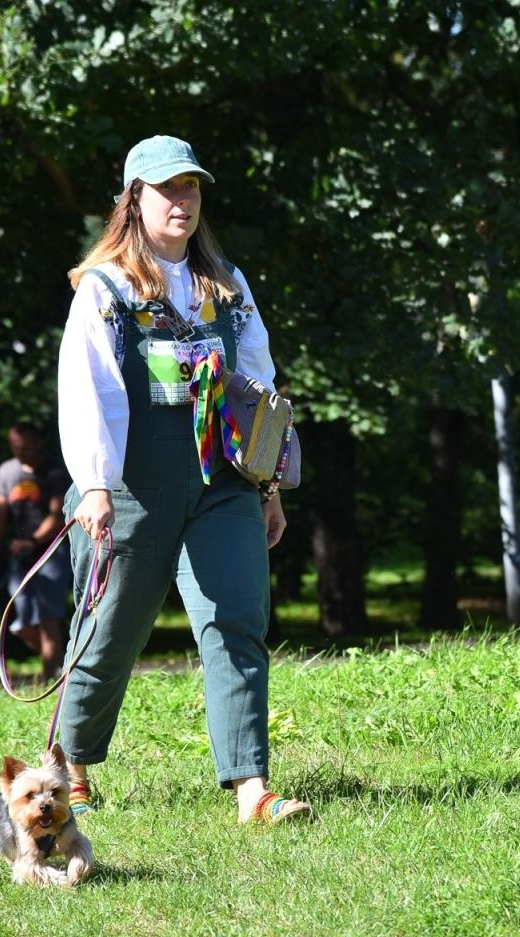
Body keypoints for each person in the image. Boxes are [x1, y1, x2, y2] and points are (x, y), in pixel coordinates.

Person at [54, 134, 311, 825]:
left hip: (221, 484)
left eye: (192, 187)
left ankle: (252, 789)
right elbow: (89, 393)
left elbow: (259, 387)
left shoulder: (227, 284)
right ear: (133, 200)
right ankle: (71, 763)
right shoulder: (104, 289)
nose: (183, 201)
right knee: (109, 631)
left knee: (236, 621)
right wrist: (97, 486)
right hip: (131, 489)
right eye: (168, 189)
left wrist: (269, 485)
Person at [0, 421, 70, 678]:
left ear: (38, 442)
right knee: (21, 624)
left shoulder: (54, 470)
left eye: (24, 446)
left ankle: (47, 680)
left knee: (48, 621)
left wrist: (33, 540)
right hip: (20, 556)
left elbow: (57, 515)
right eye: (14, 446)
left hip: (52, 552)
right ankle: (62, 660)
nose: (19, 451)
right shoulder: (7, 472)